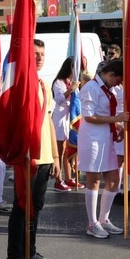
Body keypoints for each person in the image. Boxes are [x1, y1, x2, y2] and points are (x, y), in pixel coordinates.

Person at [3, 39, 61, 259]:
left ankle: (30, 252)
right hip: (27, 158)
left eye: (42, 54)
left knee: (36, 207)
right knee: (21, 207)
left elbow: (48, 121)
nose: (39, 57)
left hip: (45, 156)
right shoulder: (19, 86)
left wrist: (56, 155)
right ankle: (13, 258)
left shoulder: (43, 85)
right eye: (35, 53)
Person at [78, 60, 128, 239]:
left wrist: (118, 126)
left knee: (114, 179)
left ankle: (104, 219)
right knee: (94, 180)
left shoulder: (108, 89)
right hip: (92, 139)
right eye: (117, 80)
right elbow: (89, 116)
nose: (118, 84)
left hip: (107, 138)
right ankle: (92, 223)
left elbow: (107, 114)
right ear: (110, 75)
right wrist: (116, 119)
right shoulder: (91, 87)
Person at [50, 57, 82, 192]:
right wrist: (71, 89)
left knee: (67, 150)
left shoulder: (72, 81)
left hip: (70, 119)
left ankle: (68, 178)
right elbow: (58, 99)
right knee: (59, 150)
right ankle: (58, 181)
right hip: (60, 119)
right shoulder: (58, 82)